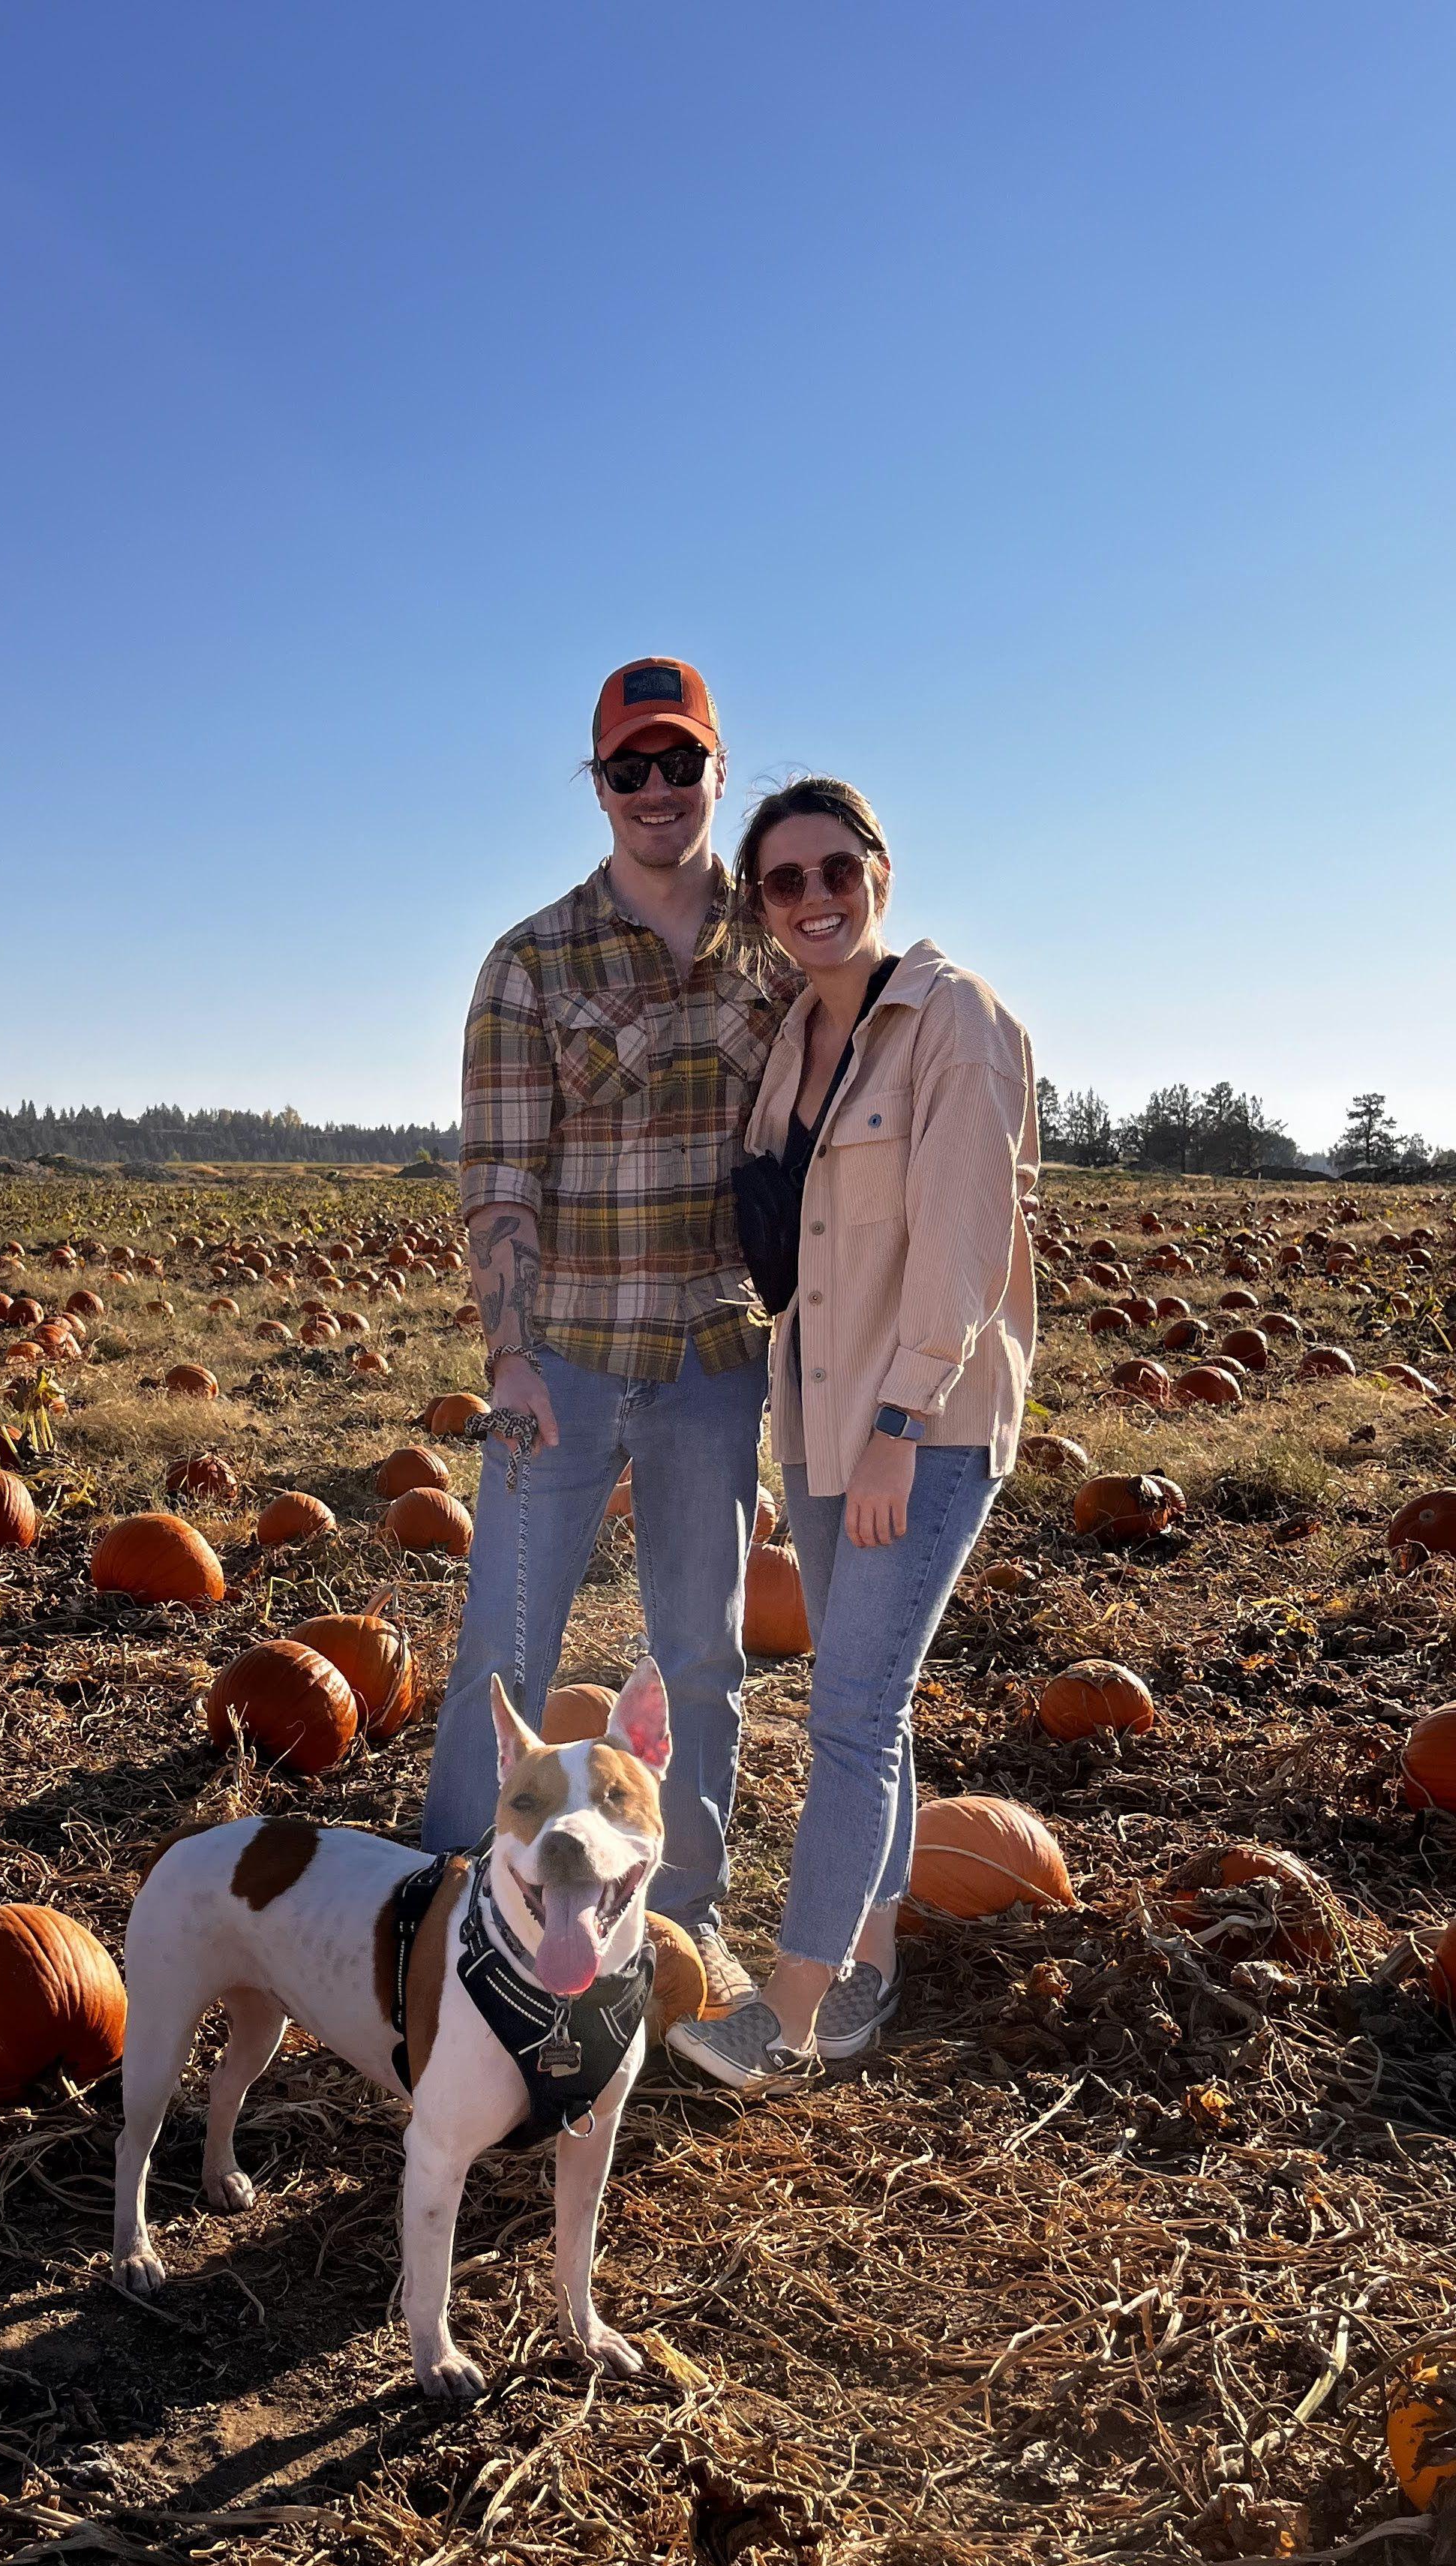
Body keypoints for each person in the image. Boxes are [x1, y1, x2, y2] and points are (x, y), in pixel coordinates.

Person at [419, 660, 803, 2006]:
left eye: (679, 764)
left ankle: (671, 1923)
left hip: (712, 1365)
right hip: (566, 1360)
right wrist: (510, 1359)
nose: (656, 791)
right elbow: (501, 1173)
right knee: (506, 1648)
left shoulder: (779, 948)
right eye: (627, 769)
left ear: (717, 772)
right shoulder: (530, 960)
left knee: (700, 1656)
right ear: (598, 786)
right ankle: (456, 1916)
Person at [661, 776, 1040, 2086]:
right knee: (870, 1701)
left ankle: (790, 2014)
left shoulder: (954, 1024)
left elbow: (963, 1244)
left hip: (914, 1426)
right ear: (762, 908)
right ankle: (874, 1960)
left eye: (837, 870)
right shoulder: (792, 1044)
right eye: (784, 881)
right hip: (818, 1422)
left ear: (881, 870)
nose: (814, 898)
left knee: (851, 1712)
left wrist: (899, 1416)